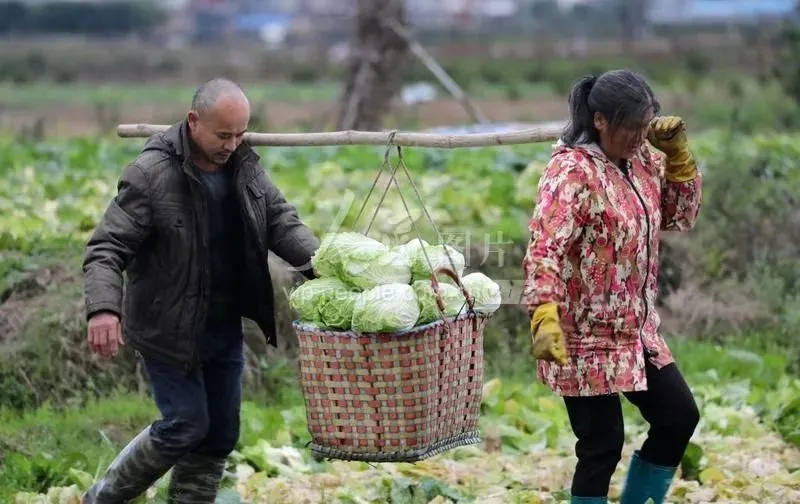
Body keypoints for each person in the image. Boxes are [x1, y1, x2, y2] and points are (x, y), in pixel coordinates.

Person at [81, 78, 319, 503]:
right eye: (223, 135)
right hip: (167, 329)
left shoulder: (245, 169)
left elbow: (281, 222)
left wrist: (326, 269)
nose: (232, 144)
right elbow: (106, 248)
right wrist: (103, 309)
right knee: (185, 426)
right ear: (194, 121)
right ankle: (101, 498)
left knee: (220, 434)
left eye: (240, 134)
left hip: (222, 327)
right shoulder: (151, 175)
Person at [521, 69, 702, 504]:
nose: (640, 138)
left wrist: (678, 158)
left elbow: (680, 217)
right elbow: (545, 246)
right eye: (631, 128)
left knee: (679, 417)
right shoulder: (571, 172)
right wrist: (543, 311)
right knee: (602, 445)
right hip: (583, 337)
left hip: (636, 333)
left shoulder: (643, 161)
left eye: (646, 126)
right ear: (600, 120)